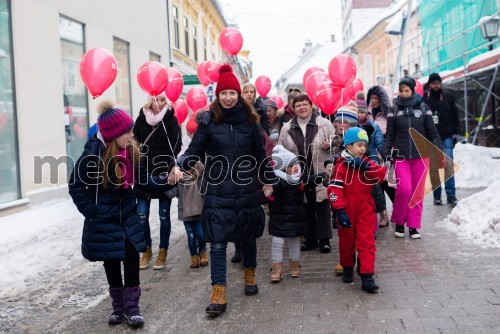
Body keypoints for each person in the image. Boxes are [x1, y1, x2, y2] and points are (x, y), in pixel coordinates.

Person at [177, 64, 275, 315]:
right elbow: (193, 152)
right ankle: (218, 292)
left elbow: (259, 155)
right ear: (217, 96)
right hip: (218, 190)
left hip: (246, 187)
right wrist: (179, 166)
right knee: (218, 243)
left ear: (238, 94)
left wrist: (267, 179)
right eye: (224, 94)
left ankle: (250, 275)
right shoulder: (208, 122)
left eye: (232, 93)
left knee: (248, 236)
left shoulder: (251, 122)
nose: (228, 98)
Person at [68, 99, 173, 327]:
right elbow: (75, 185)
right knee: (111, 261)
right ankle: (118, 307)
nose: (131, 135)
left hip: (128, 217)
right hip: (104, 219)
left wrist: (167, 180)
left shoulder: (132, 153)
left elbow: (145, 182)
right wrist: (91, 210)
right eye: (127, 132)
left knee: (132, 257)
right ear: (113, 134)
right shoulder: (93, 156)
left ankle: (133, 308)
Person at [382, 77, 443, 239]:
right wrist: (386, 150)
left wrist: (438, 148)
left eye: (406, 90)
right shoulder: (394, 109)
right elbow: (389, 134)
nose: (403, 93)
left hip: (421, 156)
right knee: (404, 190)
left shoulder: (423, 108)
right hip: (401, 156)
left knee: (417, 192)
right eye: (401, 90)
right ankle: (400, 222)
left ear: (412, 90)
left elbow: (432, 132)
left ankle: (414, 227)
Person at [328, 127, 386, 292]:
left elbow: (381, 174)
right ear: (349, 146)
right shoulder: (340, 166)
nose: (362, 149)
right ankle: (347, 267)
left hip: (365, 208)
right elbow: (334, 190)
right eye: (359, 145)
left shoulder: (367, 162)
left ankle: (367, 275)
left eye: (364, 145)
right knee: (346, 241)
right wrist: (339, 210)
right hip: (346, 209)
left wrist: (365, 167)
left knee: (366, 242)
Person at [278, 94, 335, 253]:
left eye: (305, 104)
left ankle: (324, 240)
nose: (302, 107)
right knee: (305, 207)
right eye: (298, 105)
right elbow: (280, 150)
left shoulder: (324, 124)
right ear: (293, 108)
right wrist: (287, 168)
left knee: (322, 206)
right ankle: (310, 239)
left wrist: (329, 145)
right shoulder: (287, 127)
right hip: (299, 173)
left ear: (311, 106)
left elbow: (336, 144)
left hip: (320, 171)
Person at [133, 93, 181, 270]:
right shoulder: (140, 119)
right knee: (142, 215)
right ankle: (146, 250)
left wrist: (170, 168)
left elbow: (176, 146)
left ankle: (163, 252)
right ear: (149, 100)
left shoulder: (171, 121)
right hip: (143, 173)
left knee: (163, 216)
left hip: (163, 174)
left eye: (163, 100)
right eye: (156, 100)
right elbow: (134, 144)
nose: (159, 104)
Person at [268, 145, 325, 282]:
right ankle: (277, 267)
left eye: (295, 164)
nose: (295, 167)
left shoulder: (299, 178)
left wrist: (321, 177)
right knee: (277, 242)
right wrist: (268, 188)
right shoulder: (278, 180)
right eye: (290, 165)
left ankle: (294, 265)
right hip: (279, 217)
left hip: (295, 217)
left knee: (294, 241)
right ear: (282, 168)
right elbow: (273, 187)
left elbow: (309, 180)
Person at [423, 73, 461, 207]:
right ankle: (437, 196)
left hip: (446, 136)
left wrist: (456, 133)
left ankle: (451, 196)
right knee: (434, 168)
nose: (436, 85)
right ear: (429, 84)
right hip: (431, 138)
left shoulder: (448, 97)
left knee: (448, 166)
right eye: (433, 83)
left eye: (438, 83)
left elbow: (455, 115)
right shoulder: (424, 100)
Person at [177, 117, 207, 269]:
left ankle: (202, 252)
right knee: (190, 234)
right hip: (185, 208)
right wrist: (171, 193)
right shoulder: (179, 174)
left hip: (199, 205)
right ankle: (193, 256)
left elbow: (205, 183)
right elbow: (173, 187)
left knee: (200, 234)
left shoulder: (200, 170)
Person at [356, 99, 389, 227]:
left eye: (362, 112)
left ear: (367, 113)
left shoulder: (373, 126)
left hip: (372, 159)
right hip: (358, 162)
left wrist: (385, 156)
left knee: (377, 191)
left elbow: (380, 143)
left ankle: (383, 215)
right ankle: (369, 217)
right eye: (357, 113)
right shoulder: (354, 126)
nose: (360, 115)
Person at [366, 85, 396, 204]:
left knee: (389, 184)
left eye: (376, 98)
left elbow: (392, 135)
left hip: (386, 154)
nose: (373, 101)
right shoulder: (368, 116)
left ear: (382, 99)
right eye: (372, 98)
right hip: (372, 155)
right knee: (377, 186)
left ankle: (398, 212)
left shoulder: (388, 116)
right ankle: (383, 215)